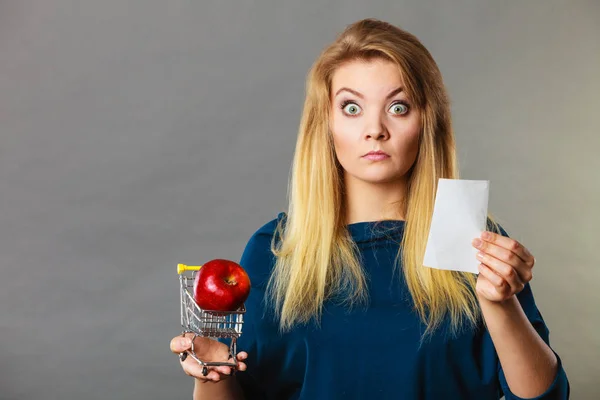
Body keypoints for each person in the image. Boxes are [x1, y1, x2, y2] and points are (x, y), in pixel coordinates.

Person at [170, 18, 570, 399]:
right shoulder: (275, 251)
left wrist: (499, 302)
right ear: (325, 124)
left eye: (398, 107)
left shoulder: (473, 239)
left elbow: (543, 396)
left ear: (426, 122)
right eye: (351, 107)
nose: (375, 128)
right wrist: (209, 371)